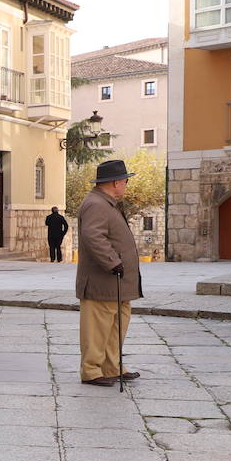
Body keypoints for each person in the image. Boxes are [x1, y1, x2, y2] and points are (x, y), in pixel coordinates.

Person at [76, 159, 143, 387]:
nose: (126, 186)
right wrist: (112, 262)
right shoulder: (96, 203)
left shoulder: (107, 202)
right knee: (97, 329)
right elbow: (93, 236)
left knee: (116, 327)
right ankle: (92, 370)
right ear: (116, 182)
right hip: (102, 280)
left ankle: (112, 366)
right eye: (125, 181)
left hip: (117, 283)